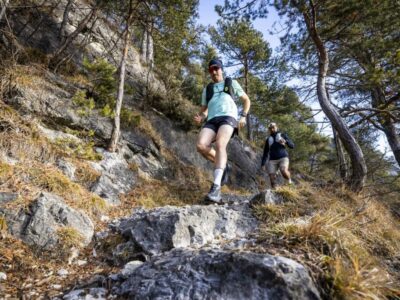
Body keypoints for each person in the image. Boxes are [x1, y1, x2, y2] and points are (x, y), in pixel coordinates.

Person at [194, 59, 251, 203]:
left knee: (220, 145)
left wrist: (243, 116)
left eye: (216, 68)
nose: (213, 72)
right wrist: (200, 117)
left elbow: (246, 100)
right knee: (201, 146)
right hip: (212, 120)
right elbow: (204, 110)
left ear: (221, 69)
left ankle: (216, 187)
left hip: (228, 117)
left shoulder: (230, 83)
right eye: (210, 70)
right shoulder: (208, 89)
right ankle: (224, 165)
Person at [261, 122, 294, 189]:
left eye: (273, 127)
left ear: (276, 127)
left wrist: (285, 141)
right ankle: (276, 191)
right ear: (269, 130)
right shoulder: (268, 139)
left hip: (283, 158)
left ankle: (290, 182)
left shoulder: (282, 135)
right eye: (270, 128)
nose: (272, 129)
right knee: (271, 177)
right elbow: (265, 152)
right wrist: (263, 164)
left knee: (283, 170)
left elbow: (292, 145)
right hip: (272, 160)